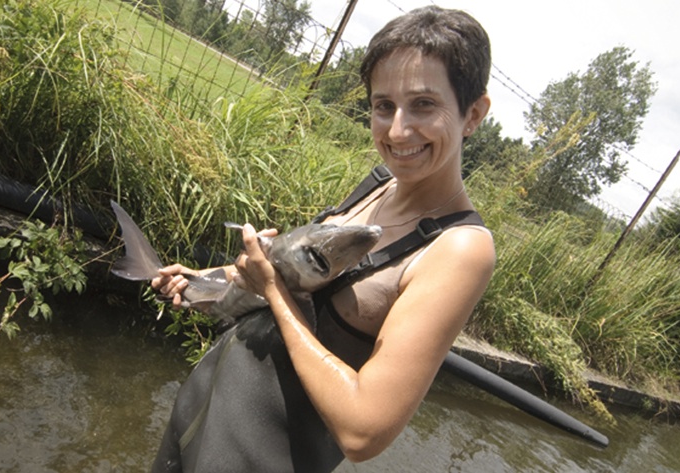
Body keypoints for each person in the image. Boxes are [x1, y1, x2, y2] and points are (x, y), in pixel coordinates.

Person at [150, 5, 495, 472]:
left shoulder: (459, 248)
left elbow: (363, 430)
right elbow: (284, 280)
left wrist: (273, 291)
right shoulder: (378, 184)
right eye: (382, 105)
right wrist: (210, 278)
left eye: (424, 104)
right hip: (196, 423)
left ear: (473, 113)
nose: (397, 130)